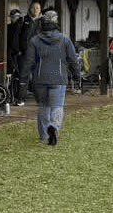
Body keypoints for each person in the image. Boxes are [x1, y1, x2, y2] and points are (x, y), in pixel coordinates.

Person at [18, 10, 83, 146]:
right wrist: (77, 75)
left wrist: (23, 80)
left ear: (42, 23)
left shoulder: (35, 40)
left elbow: (28, 62)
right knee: (57, 106)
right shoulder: (65, 40)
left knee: (43, 107)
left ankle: (44, 136)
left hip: (39, 80)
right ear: (56, 23)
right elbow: (73, 61)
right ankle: (53, 126)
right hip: (59, 79)